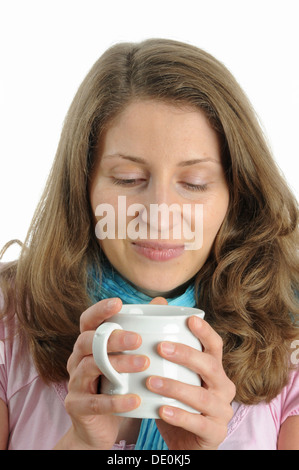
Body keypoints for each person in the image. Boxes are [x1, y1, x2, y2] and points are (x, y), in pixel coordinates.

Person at [0, 38, 298, 450]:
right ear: (82, 187)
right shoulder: (8, 319)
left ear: (237, 194)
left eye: (194, 184)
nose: (160, 212)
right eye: (127, 179)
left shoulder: (290, 336)